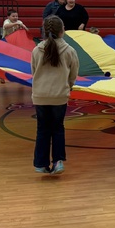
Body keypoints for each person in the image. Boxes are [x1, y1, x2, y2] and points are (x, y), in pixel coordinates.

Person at [32, 16, 80, 175]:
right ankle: (58, 161)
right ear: (62, 31)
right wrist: (68, 86)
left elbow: (34, 72)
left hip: (40, 96)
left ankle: (41, 163)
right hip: (59, 96)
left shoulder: (36, 50)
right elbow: (73, 74)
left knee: (42, 129)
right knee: (58, 128)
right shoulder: (69, 51)